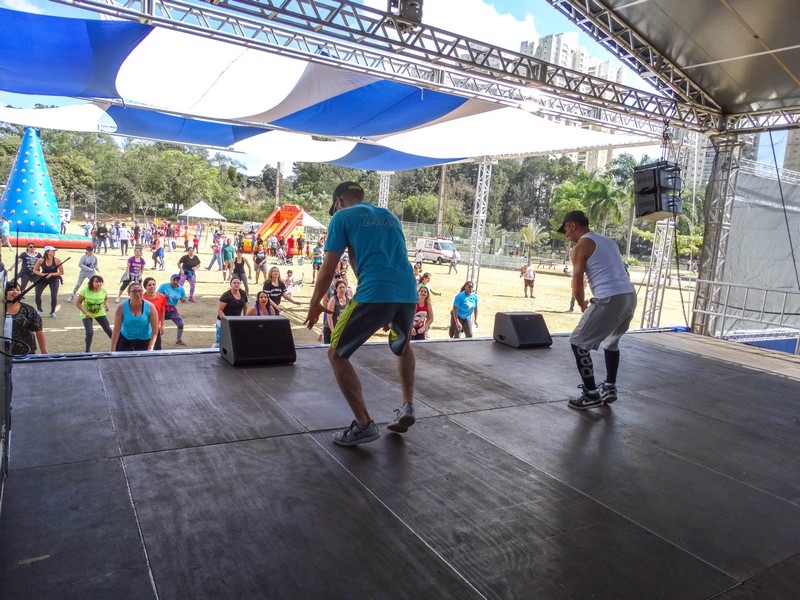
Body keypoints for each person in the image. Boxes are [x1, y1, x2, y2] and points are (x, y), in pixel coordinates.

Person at [304, 181, 418, 446]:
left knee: (336, 353)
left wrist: (314, 302)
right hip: (407, 292)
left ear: (339, 202)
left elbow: (328, 269)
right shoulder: (389, 216)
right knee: (403, 345)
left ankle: (364, 424)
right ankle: (408, 405)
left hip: (374, 292)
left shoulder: (342, 216)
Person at [558, 210, 637, 410]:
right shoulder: (609, 242)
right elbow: (624, 272)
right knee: (611, 342)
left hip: (609, 298)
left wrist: (582, 305)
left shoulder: (580, 246)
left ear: (573, 225)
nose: (566, 235)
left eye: (566, 230)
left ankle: (591, 394)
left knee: (578, 342)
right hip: (629, 296)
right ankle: (609, 387)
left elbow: (577, 281)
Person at [110, 282, 158, 351]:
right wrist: (113, 350)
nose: (137, 293)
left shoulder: (150, 307)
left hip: (145, 340)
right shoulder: (121, 307)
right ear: (129, 293)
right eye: (134, 291)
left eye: (140, 291)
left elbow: (155, 330)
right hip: (126, 338)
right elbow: (116, 330)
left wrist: (150, 347)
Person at [4, 281, 47, 355]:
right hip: (3, 354)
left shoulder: (28, 310)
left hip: (26, 353)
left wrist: (44, 351)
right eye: (11, 290)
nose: (15, 292)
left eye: (18, 290)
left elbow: (38, 331)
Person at [75, 275, 113, 352]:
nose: (99, 283)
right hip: (86, 313)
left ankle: (118, 346)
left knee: (108, 329)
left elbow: (106, 299)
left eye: (100, 282)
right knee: (89, 333)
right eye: (96, 282)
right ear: (91, 282)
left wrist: (106, 305)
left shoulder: (103, 290)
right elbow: (78, 303)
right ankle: (87, 350)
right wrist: (86, 312)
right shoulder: (85, 290)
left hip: (99, 312)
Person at [215, 277, 249, 347]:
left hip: (236, 320)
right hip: (223, 321)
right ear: (230, 284)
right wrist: (226, 321)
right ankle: (213, 351)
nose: (236, 284)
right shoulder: (226, 296)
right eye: (234, 283)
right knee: (220, 340)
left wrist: (245, 319)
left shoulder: (243, 294)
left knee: (234, 339)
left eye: (238, 283)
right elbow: (220, 310)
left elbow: (246, 308)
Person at [32, 246, 64, 318]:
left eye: (54, 251)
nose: (54, 252)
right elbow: (35, 270)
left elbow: (61, 272)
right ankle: (39, 310)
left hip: (54, 279)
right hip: (43, 278)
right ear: (47, 252)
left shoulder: (57, 260)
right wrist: (42, 274)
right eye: (52, 251)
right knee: (38, 294)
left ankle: (52, 312)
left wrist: (51, 274)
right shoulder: (41, 260)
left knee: (54, 296)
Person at [157, 274, 188, 346]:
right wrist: (164, 296)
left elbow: (183, 298)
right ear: (171, 279)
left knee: (180, 324)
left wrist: (183, 299)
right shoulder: (164, 286)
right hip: (162, 307)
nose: (175, 281)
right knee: (156, 324)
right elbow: (157, 296)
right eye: (174, 280)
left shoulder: (181, 289)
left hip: (172, 309)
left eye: (177, 280)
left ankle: (178, 340)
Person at [142, 277, 167, 350]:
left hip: (156, 326)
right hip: (144, 327)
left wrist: (162, 325)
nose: (152, 286)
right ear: (145, 287)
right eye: (149, 285)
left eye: (153, 284)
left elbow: (162, 311)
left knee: (157, 348)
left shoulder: (161, 297)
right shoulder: (141, 298)